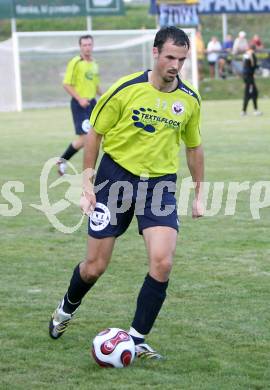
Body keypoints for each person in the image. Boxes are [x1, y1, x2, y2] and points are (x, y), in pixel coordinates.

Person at [49, 27, 204, 360]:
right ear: (155, 53)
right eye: (170, 58)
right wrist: (87, 184)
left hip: (159, 183)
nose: (175, 65)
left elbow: (194, 147)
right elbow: (95, 135)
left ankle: (136, 339)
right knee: (94, 267)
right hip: (114, 177)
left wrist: (199, 192)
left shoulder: (189, 100)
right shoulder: (125, 89)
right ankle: (65, 309)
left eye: (181, 59)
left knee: (162, 262)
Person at [57, 34, 102, 176]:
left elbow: (95, 86)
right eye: (85, 45)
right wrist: (80, 99)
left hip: (92, 103)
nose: (87, 47)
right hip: (79, 104)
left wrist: (105, 97)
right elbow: (66, 84)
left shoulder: (94, 63)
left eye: (90, 44)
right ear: (80, 47)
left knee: (97, 135)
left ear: (93, 46)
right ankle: (63, 160)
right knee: (85, 138)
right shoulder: (75, 62)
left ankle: (89, 169)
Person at [241, 45, 262, 116]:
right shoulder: (250, 56)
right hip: (249, 78)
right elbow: (251, 67)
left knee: (253, 93)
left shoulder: (247, 56)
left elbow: (251, 66)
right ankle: (247, 111)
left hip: (248, 78)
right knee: (250, 94)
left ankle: (246, 111)